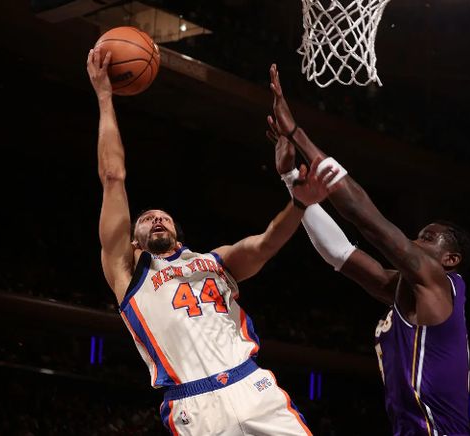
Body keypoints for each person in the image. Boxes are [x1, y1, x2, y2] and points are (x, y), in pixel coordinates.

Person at [86, 47, 338, 436]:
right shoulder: (127, 270)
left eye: (164, 217)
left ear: (177, 231)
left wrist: (299, 203)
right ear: (133, 240)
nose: (157, 219)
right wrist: (105, 96)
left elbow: (265, 244)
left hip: (251, 385)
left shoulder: (215, 261)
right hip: (195, 406)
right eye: (147, 219)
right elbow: (113, 176)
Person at [267, 63, 470, 436]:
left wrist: (298, 134)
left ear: (450, 260)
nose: (414, 241)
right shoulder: (407, 291)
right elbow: (340, 254)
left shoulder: (438, 282)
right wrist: (291, 179)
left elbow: (366, 219)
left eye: (428, 238)